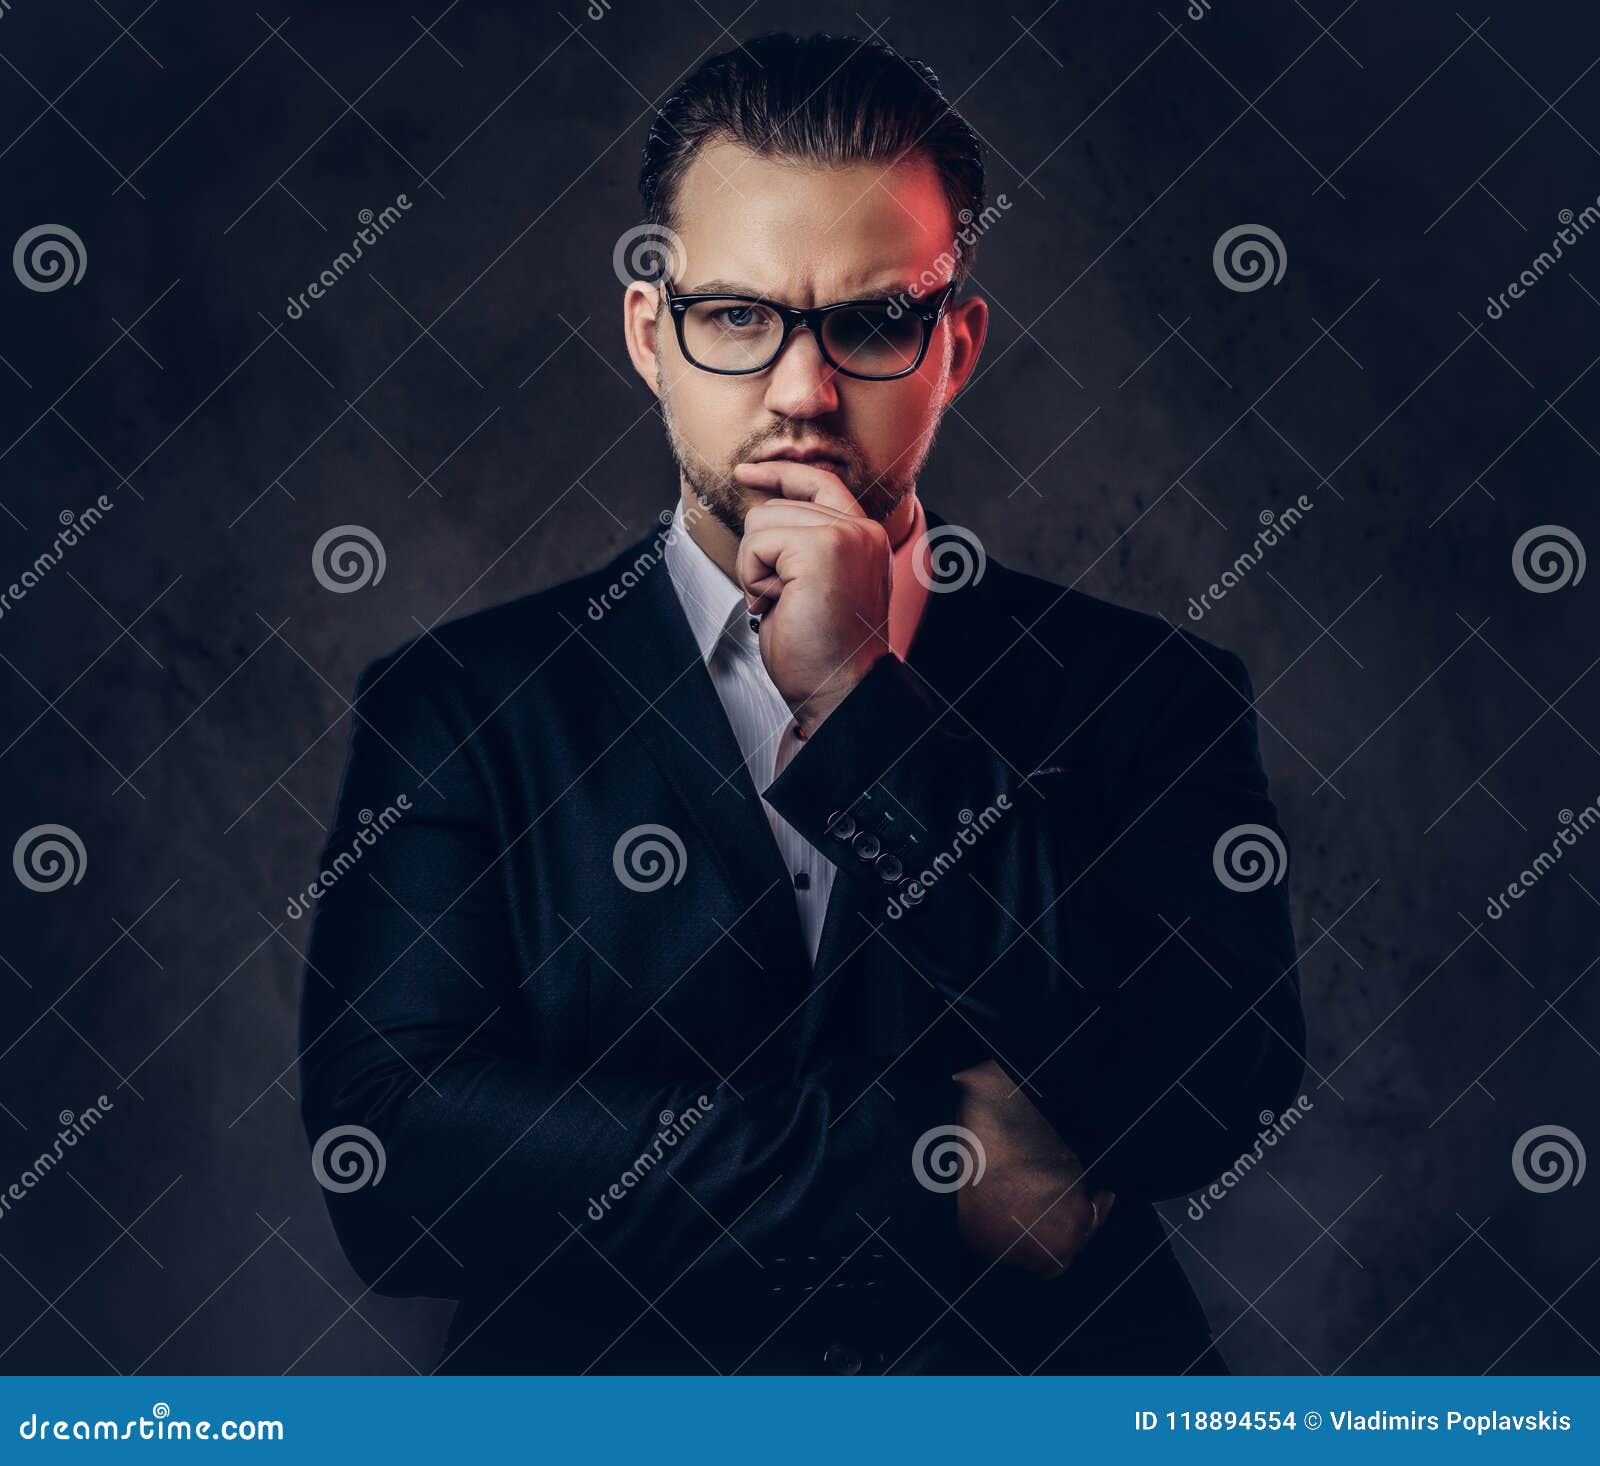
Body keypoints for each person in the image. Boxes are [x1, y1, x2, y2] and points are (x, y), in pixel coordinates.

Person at [299, 30, 1305, 1375]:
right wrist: (921, 1176)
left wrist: (860, 702)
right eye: (737, 317)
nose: (801, 393)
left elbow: (1202, 1099)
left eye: (874, 322)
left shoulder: (1146, 697)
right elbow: (394, 1166)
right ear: (651, 331)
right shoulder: (461, 706)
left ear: (954, 345)